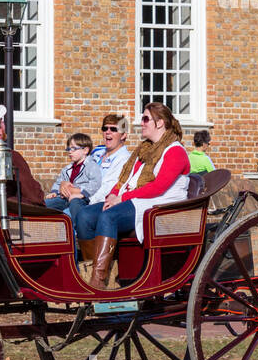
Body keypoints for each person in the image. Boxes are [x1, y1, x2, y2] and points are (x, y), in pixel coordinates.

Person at [80, 103, 190, 289]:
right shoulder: (144, 150)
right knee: (85, 216)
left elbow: (158, 187)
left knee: (108, 216)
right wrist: (113, 194)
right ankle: (97, 272)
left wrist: (121, 199)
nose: (142, 123)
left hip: (158, 205)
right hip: (136, 199)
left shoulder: (175, 151)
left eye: (146, 119)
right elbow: (125, 179)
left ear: (160, 123)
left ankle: (98, 281)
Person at [68, 113, 132, 229]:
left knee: (64, 216)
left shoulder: (124, 159)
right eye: (105, 128)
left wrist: (81, 194)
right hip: (74, 194)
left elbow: (106, 189)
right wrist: (64, 184)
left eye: (113, 129)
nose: (108, 132)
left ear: (123, 135)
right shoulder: (97, 152)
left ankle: (79, 241)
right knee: (47, 206)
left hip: (91, 202)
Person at [44, 134, 101, 211]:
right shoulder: (67, 169)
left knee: (72, 208)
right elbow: (59, 182)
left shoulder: (91, 166)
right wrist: (54, 192)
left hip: (80, 200)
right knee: (45, 204)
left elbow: (95, 183)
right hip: (64, 199)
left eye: (74, 149)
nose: (70, 152)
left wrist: (83, 194)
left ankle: (74, 221)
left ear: (85, 150)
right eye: (69, 149)